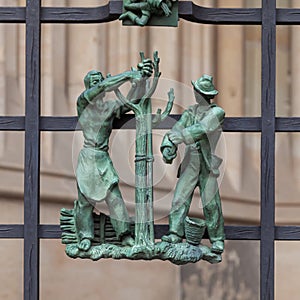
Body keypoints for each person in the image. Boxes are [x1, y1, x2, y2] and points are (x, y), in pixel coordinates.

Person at [75, 58, 153, 251]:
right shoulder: (83, 103)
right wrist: (128, 74)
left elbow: (130, 103)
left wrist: (140, 80)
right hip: (87, 157)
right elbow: (101, 87)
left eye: (99, 80)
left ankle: (124, 235)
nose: (98, 84)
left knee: (114, 198)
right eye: (94, 82)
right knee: (85, 200)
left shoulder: (108, 108)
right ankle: (85, 236)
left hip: (102, 158)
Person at [160, 75, 225, 254]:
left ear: (207, 95)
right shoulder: (191, 112)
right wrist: (168, 146)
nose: (197, 95)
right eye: (197, 92)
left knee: (211, 204)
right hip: (190, 162)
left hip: (207, 164)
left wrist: (180, 137)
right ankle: (175, 233)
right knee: (180, 198)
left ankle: (217, 239)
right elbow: (177, 128)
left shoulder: (217, 112)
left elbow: (202, 129)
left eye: (200, 92)